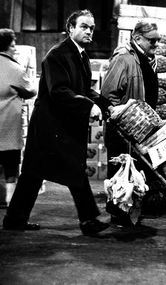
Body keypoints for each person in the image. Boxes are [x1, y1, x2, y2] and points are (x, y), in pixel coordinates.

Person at [2, 10, 111, 236]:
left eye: (91, 27)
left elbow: (82, 89)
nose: (89, 31)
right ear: (71, 28)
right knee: (58, 171)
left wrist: (105, 103)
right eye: (83, 26)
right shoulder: (57, 55)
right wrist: (87, 105)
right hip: (50, 127)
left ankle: (15, 220)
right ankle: (88, 220)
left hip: (61, 125)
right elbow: (59, 91)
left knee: (38, 173)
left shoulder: (81, 55)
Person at [101, 20, 161, 225]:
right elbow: (108, 94)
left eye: (158, 40)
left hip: (142, 128)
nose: (156, 44)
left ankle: (131, 213)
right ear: (137, 38)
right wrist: (123, 116)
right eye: (152, 40)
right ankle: (118, 216)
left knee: (135, 173)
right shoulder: (123, 59)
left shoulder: (150, 59)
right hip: (123, 129)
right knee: (120, 172)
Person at [0, 29, 36, 209]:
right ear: (9, 46)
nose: (15, 49)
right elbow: (31, 91)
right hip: (7, 131)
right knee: (11, 172)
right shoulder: (15, 69)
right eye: (14, 45)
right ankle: (10, 204)